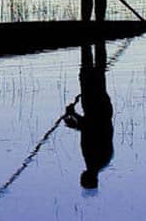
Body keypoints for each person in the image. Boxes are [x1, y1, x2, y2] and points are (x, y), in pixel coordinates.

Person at [63, 42, 113, 190]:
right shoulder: (97, 160)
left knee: (93, 72)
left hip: (98, 109)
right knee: (90, 72)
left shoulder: (97, 161)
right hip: (97, 108)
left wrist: (75, 122)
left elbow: (90, 130)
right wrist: (74, 116)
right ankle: (91, 42)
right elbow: (94, 127)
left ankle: (92, 43)